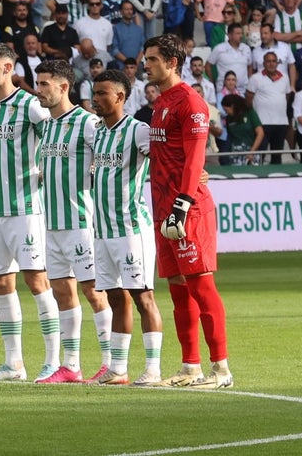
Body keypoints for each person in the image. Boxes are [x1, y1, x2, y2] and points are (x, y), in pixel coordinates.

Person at [143, 33, 232, 388]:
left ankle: (221, 369)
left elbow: (196, 157)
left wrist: (182, 204)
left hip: (187, 209)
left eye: (151, 59)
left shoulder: (191, 103)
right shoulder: (161, 103)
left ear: (171, 62)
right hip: (164, 208)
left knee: (202, 287)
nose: (146, 65)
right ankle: (190, 366)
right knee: (179, 290)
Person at [0, 41, 62, 382]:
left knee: (36, 280)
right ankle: (14, 364)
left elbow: (57, 136)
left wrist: (42, 170)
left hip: (26, 208)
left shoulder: (30, 106)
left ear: (8, 68)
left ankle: (54, 361)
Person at [33, 58, 112, 384]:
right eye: (37, 84)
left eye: (44, 85)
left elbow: (110, 157)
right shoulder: (47, 126)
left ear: (63, 87)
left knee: (95, 293)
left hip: (81, 222)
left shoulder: (88, 123)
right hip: (51, 225)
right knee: (63, 294)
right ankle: (71, 365)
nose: (38, 91)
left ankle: (111, 362)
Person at [88, 70, 165, 385]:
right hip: (103, 229)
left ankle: (153, 368)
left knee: (142, 296)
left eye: (103, 93)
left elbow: (163, 161)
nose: (96, 99)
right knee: (116, 297)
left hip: (131, 229)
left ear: (120, 97)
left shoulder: (138, 131)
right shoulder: (98, 132)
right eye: (94, 93)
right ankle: (118, 368)